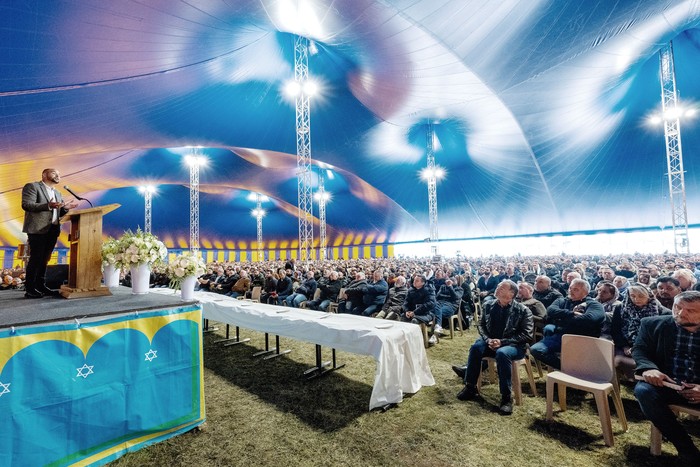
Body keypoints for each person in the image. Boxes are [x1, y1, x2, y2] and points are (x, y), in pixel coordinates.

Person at [633, 291, 700, 462]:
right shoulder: (652, 324)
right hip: (668, 383)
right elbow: (640, 349)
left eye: (690, 310)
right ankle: (687, 449)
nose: (680, 313)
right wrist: (649, 368)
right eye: (677, 307)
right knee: (644, 391)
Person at [453, 280, 533, 415]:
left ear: (511, 293)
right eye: (498, 286)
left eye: (501, 288)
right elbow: (482, 326)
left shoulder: (523, 310)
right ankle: (470, 387)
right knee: (476, 348)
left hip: (513, 346)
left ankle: (506, 398)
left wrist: (502, 342)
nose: (497, 289)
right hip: (491, 341)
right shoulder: (489, 305)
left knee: (502, 353)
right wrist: (488, 339)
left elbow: (527, 335)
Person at [21, 168, 78, 298]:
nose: (58, 176)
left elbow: (57, 213)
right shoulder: (33, 186)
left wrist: (64, 209)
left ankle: (40, 285)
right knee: (36, 258)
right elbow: (27, 205)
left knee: (45, 259)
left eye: (59, 174)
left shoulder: (57, 193)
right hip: (37, 228)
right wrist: (48, 205)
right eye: (54, 173)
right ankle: (30, 289)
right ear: (44, 174)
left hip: (52, 229)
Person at [530, 278, 605, 370]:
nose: (571, 291)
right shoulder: (563, 300)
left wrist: (561, 318)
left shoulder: (594, 305)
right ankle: (565, 368)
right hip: (561, 336)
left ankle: (567, 369)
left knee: (548, 331)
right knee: (536, 349)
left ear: (585, 292)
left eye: (576, 289)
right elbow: (550, 310)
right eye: (570, 288)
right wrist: (571, 314)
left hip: (583, 339)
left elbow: (589, 319)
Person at [611, 284, 661, 381]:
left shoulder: (659, 311)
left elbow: (657, 337)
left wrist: (637, 348)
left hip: (648, 347)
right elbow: (615, 330)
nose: (636, 299)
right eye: (632, 296)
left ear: (649, 295)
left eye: (641, 296)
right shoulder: (621, 308)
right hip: (625, 343)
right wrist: (625, 346)